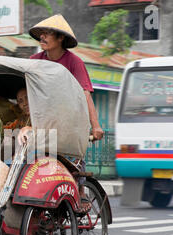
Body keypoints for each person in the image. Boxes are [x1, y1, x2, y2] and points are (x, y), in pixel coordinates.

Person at [19, 14, 104, 213]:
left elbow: (85, 93)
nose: (43, 37)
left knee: (74, 155)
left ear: (60, 39)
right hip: (42, 118)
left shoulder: (74, 62)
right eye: (41, 34)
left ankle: (80, 190)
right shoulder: (35, 61)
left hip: (69, 119)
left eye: (48, 33)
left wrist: (96, 125)